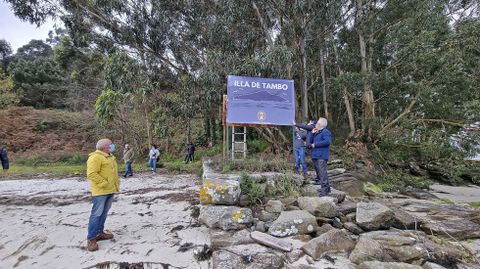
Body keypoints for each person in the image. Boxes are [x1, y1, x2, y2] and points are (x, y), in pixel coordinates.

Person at [86, 138, 120, 251]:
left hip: (110, 190)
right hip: (100, 191)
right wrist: (103, 183)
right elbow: (91, 174)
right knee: (96, 214)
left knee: (104, 213)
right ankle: (91, 238)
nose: (113, 145)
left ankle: (99, 232)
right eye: (111, 144)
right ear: (105, 146)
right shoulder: (95, 157)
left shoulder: (109, 156)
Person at [308, 118, 332, 196]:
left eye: (317, 123)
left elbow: (327, 142)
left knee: (322, 173)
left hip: (321, 156)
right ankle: (327, 188)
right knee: (319, 173)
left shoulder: (326, 132)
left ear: (319, 124)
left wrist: (315, 144)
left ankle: (324, 190)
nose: (315, 124)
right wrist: (312, 133)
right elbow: (309, 142)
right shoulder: (315, 132)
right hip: (314, 155)